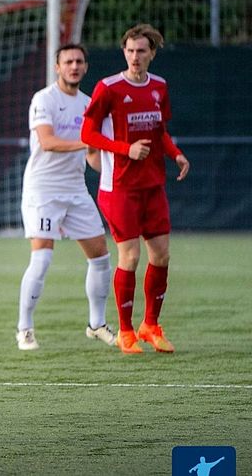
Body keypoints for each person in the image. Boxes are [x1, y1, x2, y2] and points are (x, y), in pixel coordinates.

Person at [81, 24, 190, 354]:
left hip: (152, 185)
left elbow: (160, 132)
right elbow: (88, 134)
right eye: (129, 50)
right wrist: (123, 149)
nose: (135, 56)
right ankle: (126, 331)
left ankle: (151, 325)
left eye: (141, 51)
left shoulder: (159, 87)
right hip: (119, 188)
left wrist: (176, 154)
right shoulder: (108, 88)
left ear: (152, 53)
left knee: (162, 255)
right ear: (123, 52)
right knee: (130, 255)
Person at [16, 43, 116, 351]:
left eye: (79, 61)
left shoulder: (89, 104)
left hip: (75, 189)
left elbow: (93, 157)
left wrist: (111, 162)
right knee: (42, 257)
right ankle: (25, 329)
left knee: (101, 257)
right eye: (68, 61)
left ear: (85, 67)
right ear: (57, 67)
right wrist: (90, 140)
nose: (74, 66)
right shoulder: (44, 99)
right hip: (43, 190)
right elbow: (47, 142)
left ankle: (96, 324)